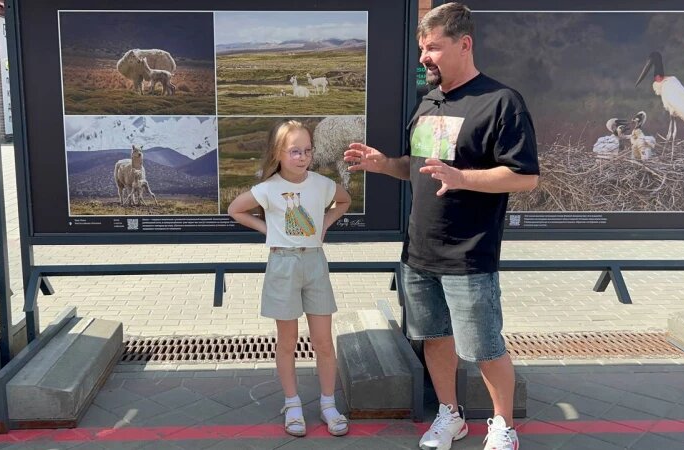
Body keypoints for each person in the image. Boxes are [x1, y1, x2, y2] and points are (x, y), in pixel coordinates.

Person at [344, 3, 539, 450]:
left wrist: (464, 178)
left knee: (485, 347)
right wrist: (384, 164)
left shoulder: (501, 102)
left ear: (464, 44)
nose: (424, 58)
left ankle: (503, 426)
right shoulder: (429, 102)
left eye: (433, 48)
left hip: (469, 254)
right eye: (422, 49)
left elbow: (525, 176)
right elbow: (417, 167)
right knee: (434, 339)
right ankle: (450, 416)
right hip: (419, 253)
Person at [228, 119, 352, 437]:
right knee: (287, 342)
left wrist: (325, 223)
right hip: (282, 265)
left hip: (315, 264)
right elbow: (236, 209)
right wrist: (268, 230)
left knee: (323, 341)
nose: (302, 157)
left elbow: (344, 201)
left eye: (307, 150)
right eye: (295, 151)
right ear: (278, 153)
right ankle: (292, 403)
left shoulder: (321, 184)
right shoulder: (267, 189)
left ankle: (328, 404)